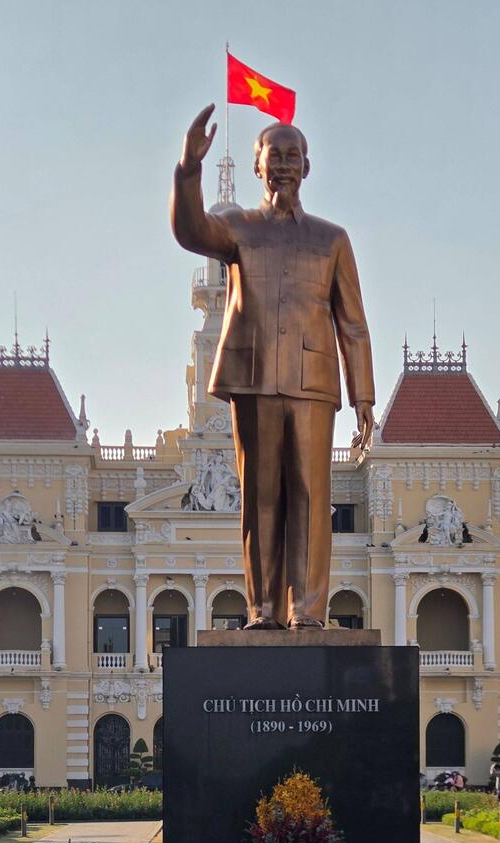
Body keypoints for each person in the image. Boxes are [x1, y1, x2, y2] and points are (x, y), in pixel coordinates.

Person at [171, 107, 375, 628]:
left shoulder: (331, 239)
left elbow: (352, 322)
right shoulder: (237, 229)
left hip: (314, 382)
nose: (284, 165)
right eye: (274, 155)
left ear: (307, 167)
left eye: (293, 156)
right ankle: (263, 610)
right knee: (259, 497)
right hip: (254, 376)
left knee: (310, 496)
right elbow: (191, 231)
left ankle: (307, 612)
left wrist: (364, 398)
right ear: (258, 167)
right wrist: (188, 170)